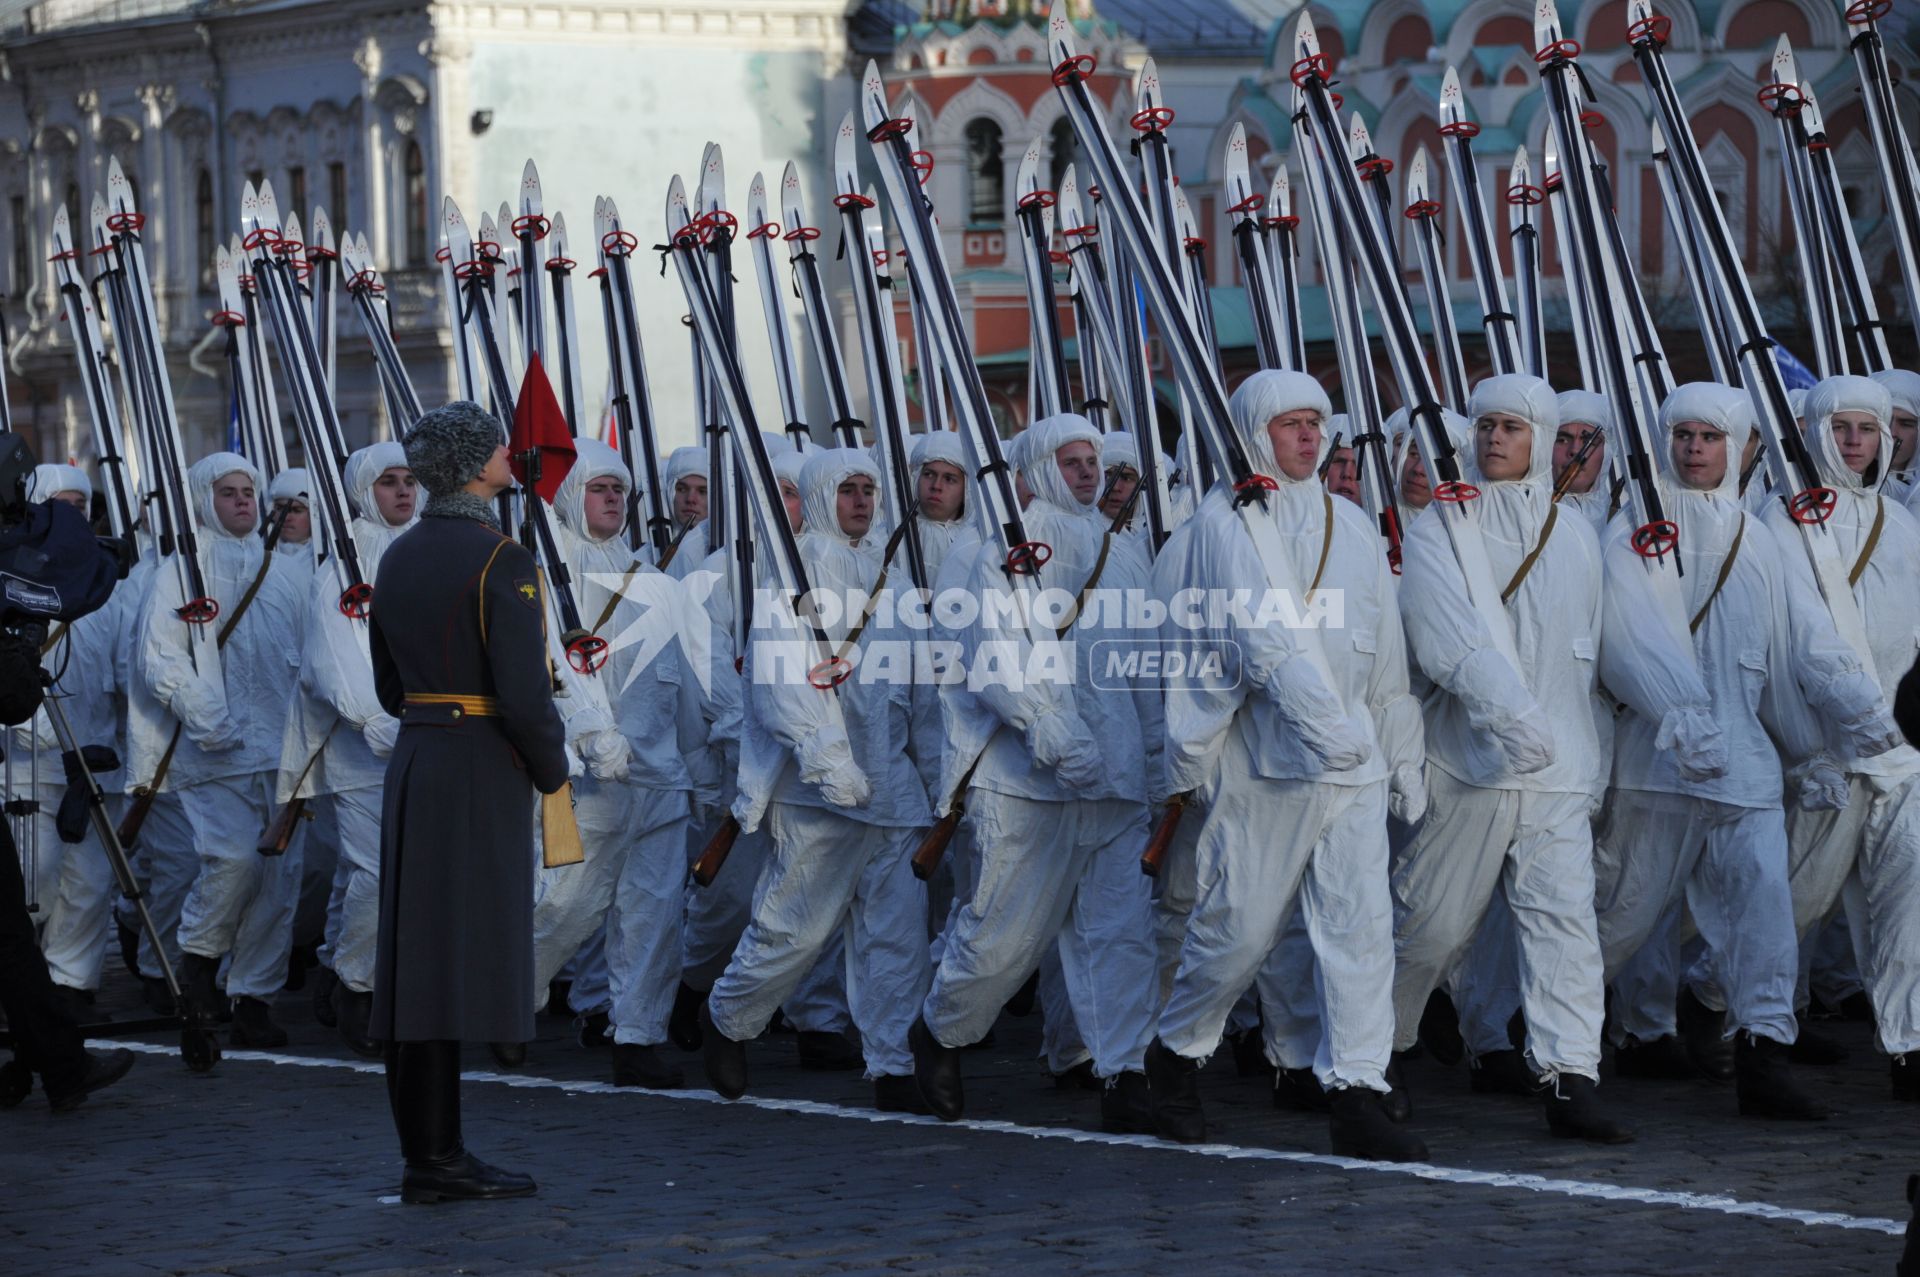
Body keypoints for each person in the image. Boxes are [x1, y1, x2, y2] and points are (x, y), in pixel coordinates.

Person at [1390, 375, 1716, 1143]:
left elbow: (1622, 637)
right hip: (1472, 765)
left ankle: (1571, 1076)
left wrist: (1682, 710)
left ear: (1539, 437)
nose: (1494, 438)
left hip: (1562, 770)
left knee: (1564, 928)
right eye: (1486, 424)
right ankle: (1385, 1047)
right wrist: (1507, 713)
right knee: (1431, 926)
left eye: (1511, 426)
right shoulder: (1445, 527)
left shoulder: (1575, 533)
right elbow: (1445, 634)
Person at [1143, 371, 1428, 1161]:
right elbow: (1260, 642)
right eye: (1289, 424)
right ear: (1252, 433)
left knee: (1361, 930)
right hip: (1268, 767)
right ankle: (1176, 1051)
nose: (1308, 438)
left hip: (1353, 768)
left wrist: (1395, 749)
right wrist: (1324, 726)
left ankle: (1358, 1087)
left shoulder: (1354, 524)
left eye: (1315, 423)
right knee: (1237, 931)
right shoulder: (1220, 525)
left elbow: (1385, 655)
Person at [1589, 383, 1891, 1118]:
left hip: (1746, 768)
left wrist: (1836, 733)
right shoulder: (1633, 527)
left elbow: (1793, 650)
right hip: (1658, 763)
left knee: (1763, 914)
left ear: (1744, 447)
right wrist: (1681, 716)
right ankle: (1563, 1042)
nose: (1695, 448)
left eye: (1710, 437)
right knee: (1619, 917)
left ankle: (1763, 1052)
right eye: (1684, 435)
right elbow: (1628, 639)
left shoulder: (1758, 538)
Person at [909, 414, 1161, 1134]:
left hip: (1112, 783)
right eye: (1073, 461)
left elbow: (1142, 664)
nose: (1089, 473)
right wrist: (1054, 734)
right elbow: (994, 654)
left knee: (1121, 934)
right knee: (1002, 938)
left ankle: (1125, 1070)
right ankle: (942, 1029)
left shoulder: (1126, 552)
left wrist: (1152, 753)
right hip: (1027, 781)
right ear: (1039, 467)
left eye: (1095, 462)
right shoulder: (992, 550)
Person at [368, 401, 568, 1203]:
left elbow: (389, 688)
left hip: (418, 757)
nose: (505, 451)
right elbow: (524, 695)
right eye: (493, 444)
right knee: (449, 963)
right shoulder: (502, 558)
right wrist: (553, 770)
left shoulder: (396, 557)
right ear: (468, 464)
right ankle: (438, 1157)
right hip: (480, 765)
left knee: (416, 961)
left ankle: (432, 1150)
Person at [701, 447, 934, 1112]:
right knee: (794, 928)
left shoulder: (892, 580)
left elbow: (921, 694)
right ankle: (729, 1018)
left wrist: (939, 779)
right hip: (816, 792)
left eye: (869, 489)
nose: (861, 500)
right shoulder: (791, 576)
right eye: (847, 489)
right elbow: (782, 686)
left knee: (896, 937)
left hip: (892, 790)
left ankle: (891, 1063)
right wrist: (832, 765)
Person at [1758, 375, 1920, 1101]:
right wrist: (1852, 723)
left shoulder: (1903, 524)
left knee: (1907, 904)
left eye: (1868, 429)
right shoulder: (1781, 519)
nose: (1854, 442)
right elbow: (1804, 639)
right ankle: (1743, 1029)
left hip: (1903, 752)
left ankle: (1909, 1043)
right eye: (1841, 427)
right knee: (1794, 901)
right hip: (1826, 751)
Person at [529, 438, 701, 1090]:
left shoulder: (654, 581)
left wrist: (696, 757)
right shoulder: (544, 576)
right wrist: (591, 739)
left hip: (657, 777)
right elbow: (548, 673)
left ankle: (638, 1035)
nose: (611, 500)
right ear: (572, 494)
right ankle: (507, 1002)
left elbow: (680, 678)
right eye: (599, 488)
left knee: (654, 916)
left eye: (619, 490)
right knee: (562, 907)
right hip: (587, 780)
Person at [134, 452, 307, 1048]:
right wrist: (210, 717)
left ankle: (254, 995)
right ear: (204, 498)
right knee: (233, 862)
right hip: (212, 753)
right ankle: (200, 963)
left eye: (248, 491)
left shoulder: (286, 573)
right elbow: (160, 658)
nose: (241, 501)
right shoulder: (179, 574)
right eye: (228, 492)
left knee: (278, 881)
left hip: (283, 756)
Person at [284, 443, 417, 1056]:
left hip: (427, 735)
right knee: (376, 869)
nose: (401, 492)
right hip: (363, 746)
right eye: (388, 482)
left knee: (372, 870)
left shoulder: (425, 550)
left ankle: (339, 965)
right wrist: (377, 719)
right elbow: (333, 661)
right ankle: (359, 991)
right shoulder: (341, 566)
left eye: (410, 481)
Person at [9, 465, 122, 1018]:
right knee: (36, 876)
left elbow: (126, 667)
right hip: (27, 760)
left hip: (92, 755)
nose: (73, 515)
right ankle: (24, 982)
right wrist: (39, 731)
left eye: (81, 504)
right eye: (61, 504)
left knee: (90, 881)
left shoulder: (102, 581)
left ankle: (71, 984)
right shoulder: (16, 577)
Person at [1551, 390, 1613, 533]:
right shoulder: (1524, 514)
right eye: (1562, 440)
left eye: (1589, 442)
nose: (1575, 450)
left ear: (1607, 451)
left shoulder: (1623, 520)